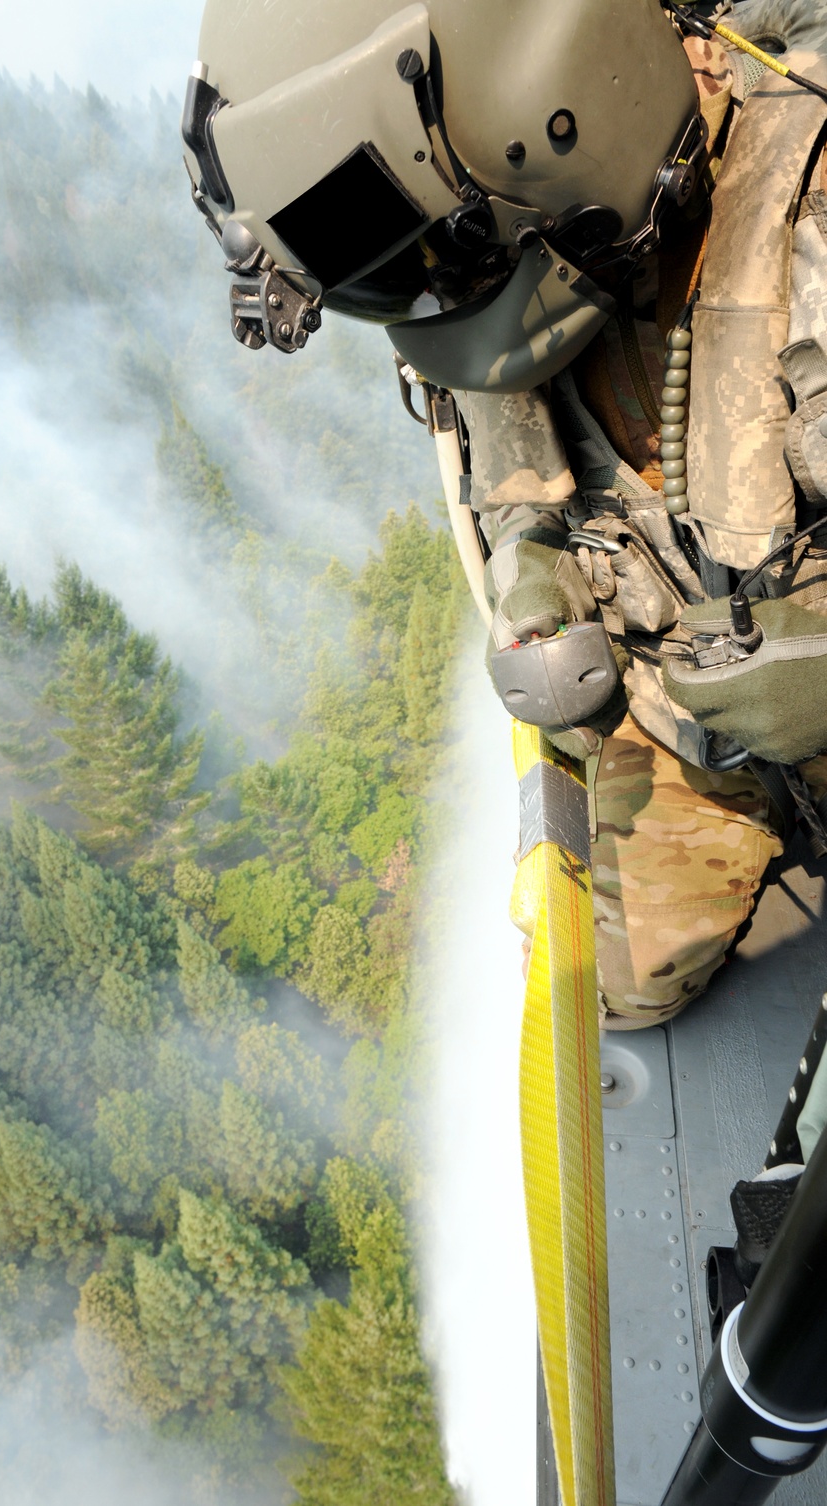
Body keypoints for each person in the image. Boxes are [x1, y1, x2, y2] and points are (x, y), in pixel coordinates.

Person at [181, 0, 827, 1027]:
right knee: (601, 992)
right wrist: (531, 562)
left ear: (558, 107)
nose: (448, 291)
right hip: (691, 725)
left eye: (462, 265)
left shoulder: (801, 211)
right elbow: (507, 451)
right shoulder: (494, 254)